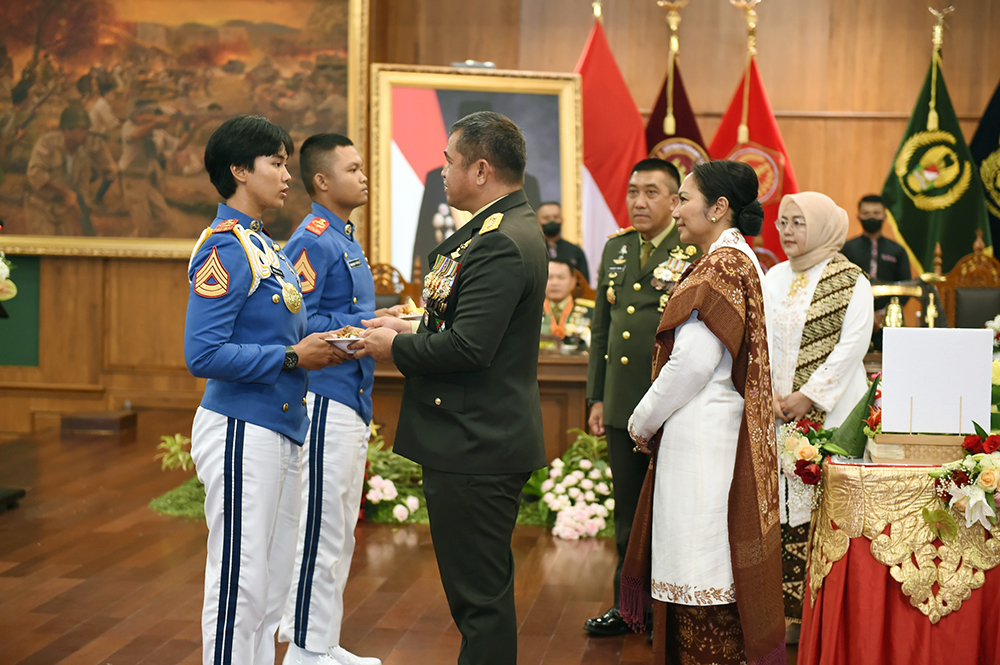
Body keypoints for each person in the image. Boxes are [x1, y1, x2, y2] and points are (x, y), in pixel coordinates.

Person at [353, 111, 547, 665]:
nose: (441, 171)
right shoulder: (501, 227)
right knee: (478, 593)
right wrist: (410, 326)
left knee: (479, 600)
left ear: (481, 169)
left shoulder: (500, 241)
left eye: (448, 161)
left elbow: (469, 349)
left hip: (474, 442)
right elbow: (469, 327)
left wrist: (393, 349)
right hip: (476, 435)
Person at [184, 115, 347, 665]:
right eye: (274, 163)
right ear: (237, 170)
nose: (285, 175)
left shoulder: (265, 246)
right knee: (240, 582)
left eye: (284, 162)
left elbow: (288, 330)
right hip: (240, 427)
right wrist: (291, 357)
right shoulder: (225, 248)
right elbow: (202, 355)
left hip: (278, 425)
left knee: (271, 583)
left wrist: (351, 331)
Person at [621, 160, 784, 665]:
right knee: (717, 566)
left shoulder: (719, 266)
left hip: (703, 440)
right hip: (722, 434)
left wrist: (641, 420)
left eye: (684, 198)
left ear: (719, 208)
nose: (676, 207)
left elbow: (691, 362)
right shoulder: (743, 259)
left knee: (701, 570)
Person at [278, 133, 398, 665]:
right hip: (323, 395)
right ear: (322, 181)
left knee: (339, 527)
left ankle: (321, 640)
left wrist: (380, 321)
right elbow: (295, 320)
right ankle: (306, 647)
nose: (363, 175)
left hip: (349, 394)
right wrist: (369, 324)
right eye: (352, 168)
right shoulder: (314, 238)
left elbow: (336, 312)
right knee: (322, 526)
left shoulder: (344, 239)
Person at [584, 157, 698, 637]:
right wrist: (596, 397)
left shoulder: (692, 250)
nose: (638, 201)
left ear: (675, 202)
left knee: (671, 511)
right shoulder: (617, 249)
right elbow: (601, 330)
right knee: (628, 511)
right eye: (633, 191)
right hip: (621, 403)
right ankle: (628, 607)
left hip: (670, 404)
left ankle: (667, 612)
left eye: (651, 192)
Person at [764, 192, 873, 643]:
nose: (787, 231)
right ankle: (787, 617)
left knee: (826, 510)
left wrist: (808, 396)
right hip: (774, 413)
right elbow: (759, 338)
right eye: (783, 222)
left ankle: (826, 618)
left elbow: (853, 348)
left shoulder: (852, 280)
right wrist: (769, 390)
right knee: (780, 510)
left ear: (825, 227)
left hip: (831, 416)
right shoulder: (771, 276)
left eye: (798, 223)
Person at [23, 104, 114, 235]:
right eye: (82, 129)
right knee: (44, 248)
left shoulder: (83, 155)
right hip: (40, 206)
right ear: (67, 130)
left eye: (86, 129)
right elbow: (35, 173)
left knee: (64, 248)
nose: (86, 133)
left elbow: (83, 188)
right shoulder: (47, 143)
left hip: (64, 209)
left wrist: (87, 215)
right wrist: (64, 192)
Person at [119, 100, 203, 236]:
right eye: (144, 113)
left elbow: (179, 145)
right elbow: (136, 135)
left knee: (164, 219)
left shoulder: (158, 132)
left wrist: (193, 128)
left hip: (147, 180)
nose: (149, 115)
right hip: (132, 179)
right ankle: (137, 247)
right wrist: (156, 123)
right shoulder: (130, 126)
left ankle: (142, 241)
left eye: (151, 113)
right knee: (143, 227)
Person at [841, 194, 911, 350]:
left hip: (890, 323)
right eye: (866, 213)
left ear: (884, 216)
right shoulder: (846, 249)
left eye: (876, 213)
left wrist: (884, 314)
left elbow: (906, 287)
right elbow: (841, 284)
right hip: (853, 321)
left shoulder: (897, 251)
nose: (871, 217)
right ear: (858, 216)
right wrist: (864, 316)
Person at [541, 258, 594, 351]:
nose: (555, 283)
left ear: (573, 281)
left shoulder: (591, 312)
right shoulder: (530, 311)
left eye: (561, 277)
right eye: (549, 277)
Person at [538, 202, 590, 283]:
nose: (552, 221)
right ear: (538, 221)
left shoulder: (575, 251)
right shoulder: (530, 251)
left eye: (556, 217)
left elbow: (584, 284)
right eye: (546, 218)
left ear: (562, 219)